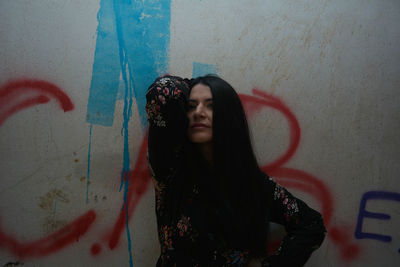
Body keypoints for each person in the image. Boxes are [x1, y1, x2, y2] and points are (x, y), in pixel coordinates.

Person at [145, 75, 326, 267]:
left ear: (227, 115)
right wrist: (197, 83)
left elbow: (312, 225)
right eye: (192, 105)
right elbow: (162, 92)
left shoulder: (253, 184)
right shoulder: (172, 170)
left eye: (210, 105)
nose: (198, 112)